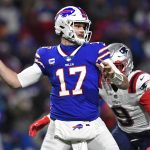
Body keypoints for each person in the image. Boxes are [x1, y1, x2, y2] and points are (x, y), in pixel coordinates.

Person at [0, 6, 129, 150]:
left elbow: (124, 84)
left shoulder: (96, 50)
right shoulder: (47, 55)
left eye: (84, 26)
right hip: (59, 126)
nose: (82, 30)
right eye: (78, 25)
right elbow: (16, 82)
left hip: (92, 124)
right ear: (63, 25)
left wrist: (114, 74)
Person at [29, 43, 150, 150]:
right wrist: (48, 119)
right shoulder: (99, 83)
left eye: (116, 67)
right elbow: (75, 106)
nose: (111, 72)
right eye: (107, 67)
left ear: (127, 65)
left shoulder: (138, 82)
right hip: (124, 132)